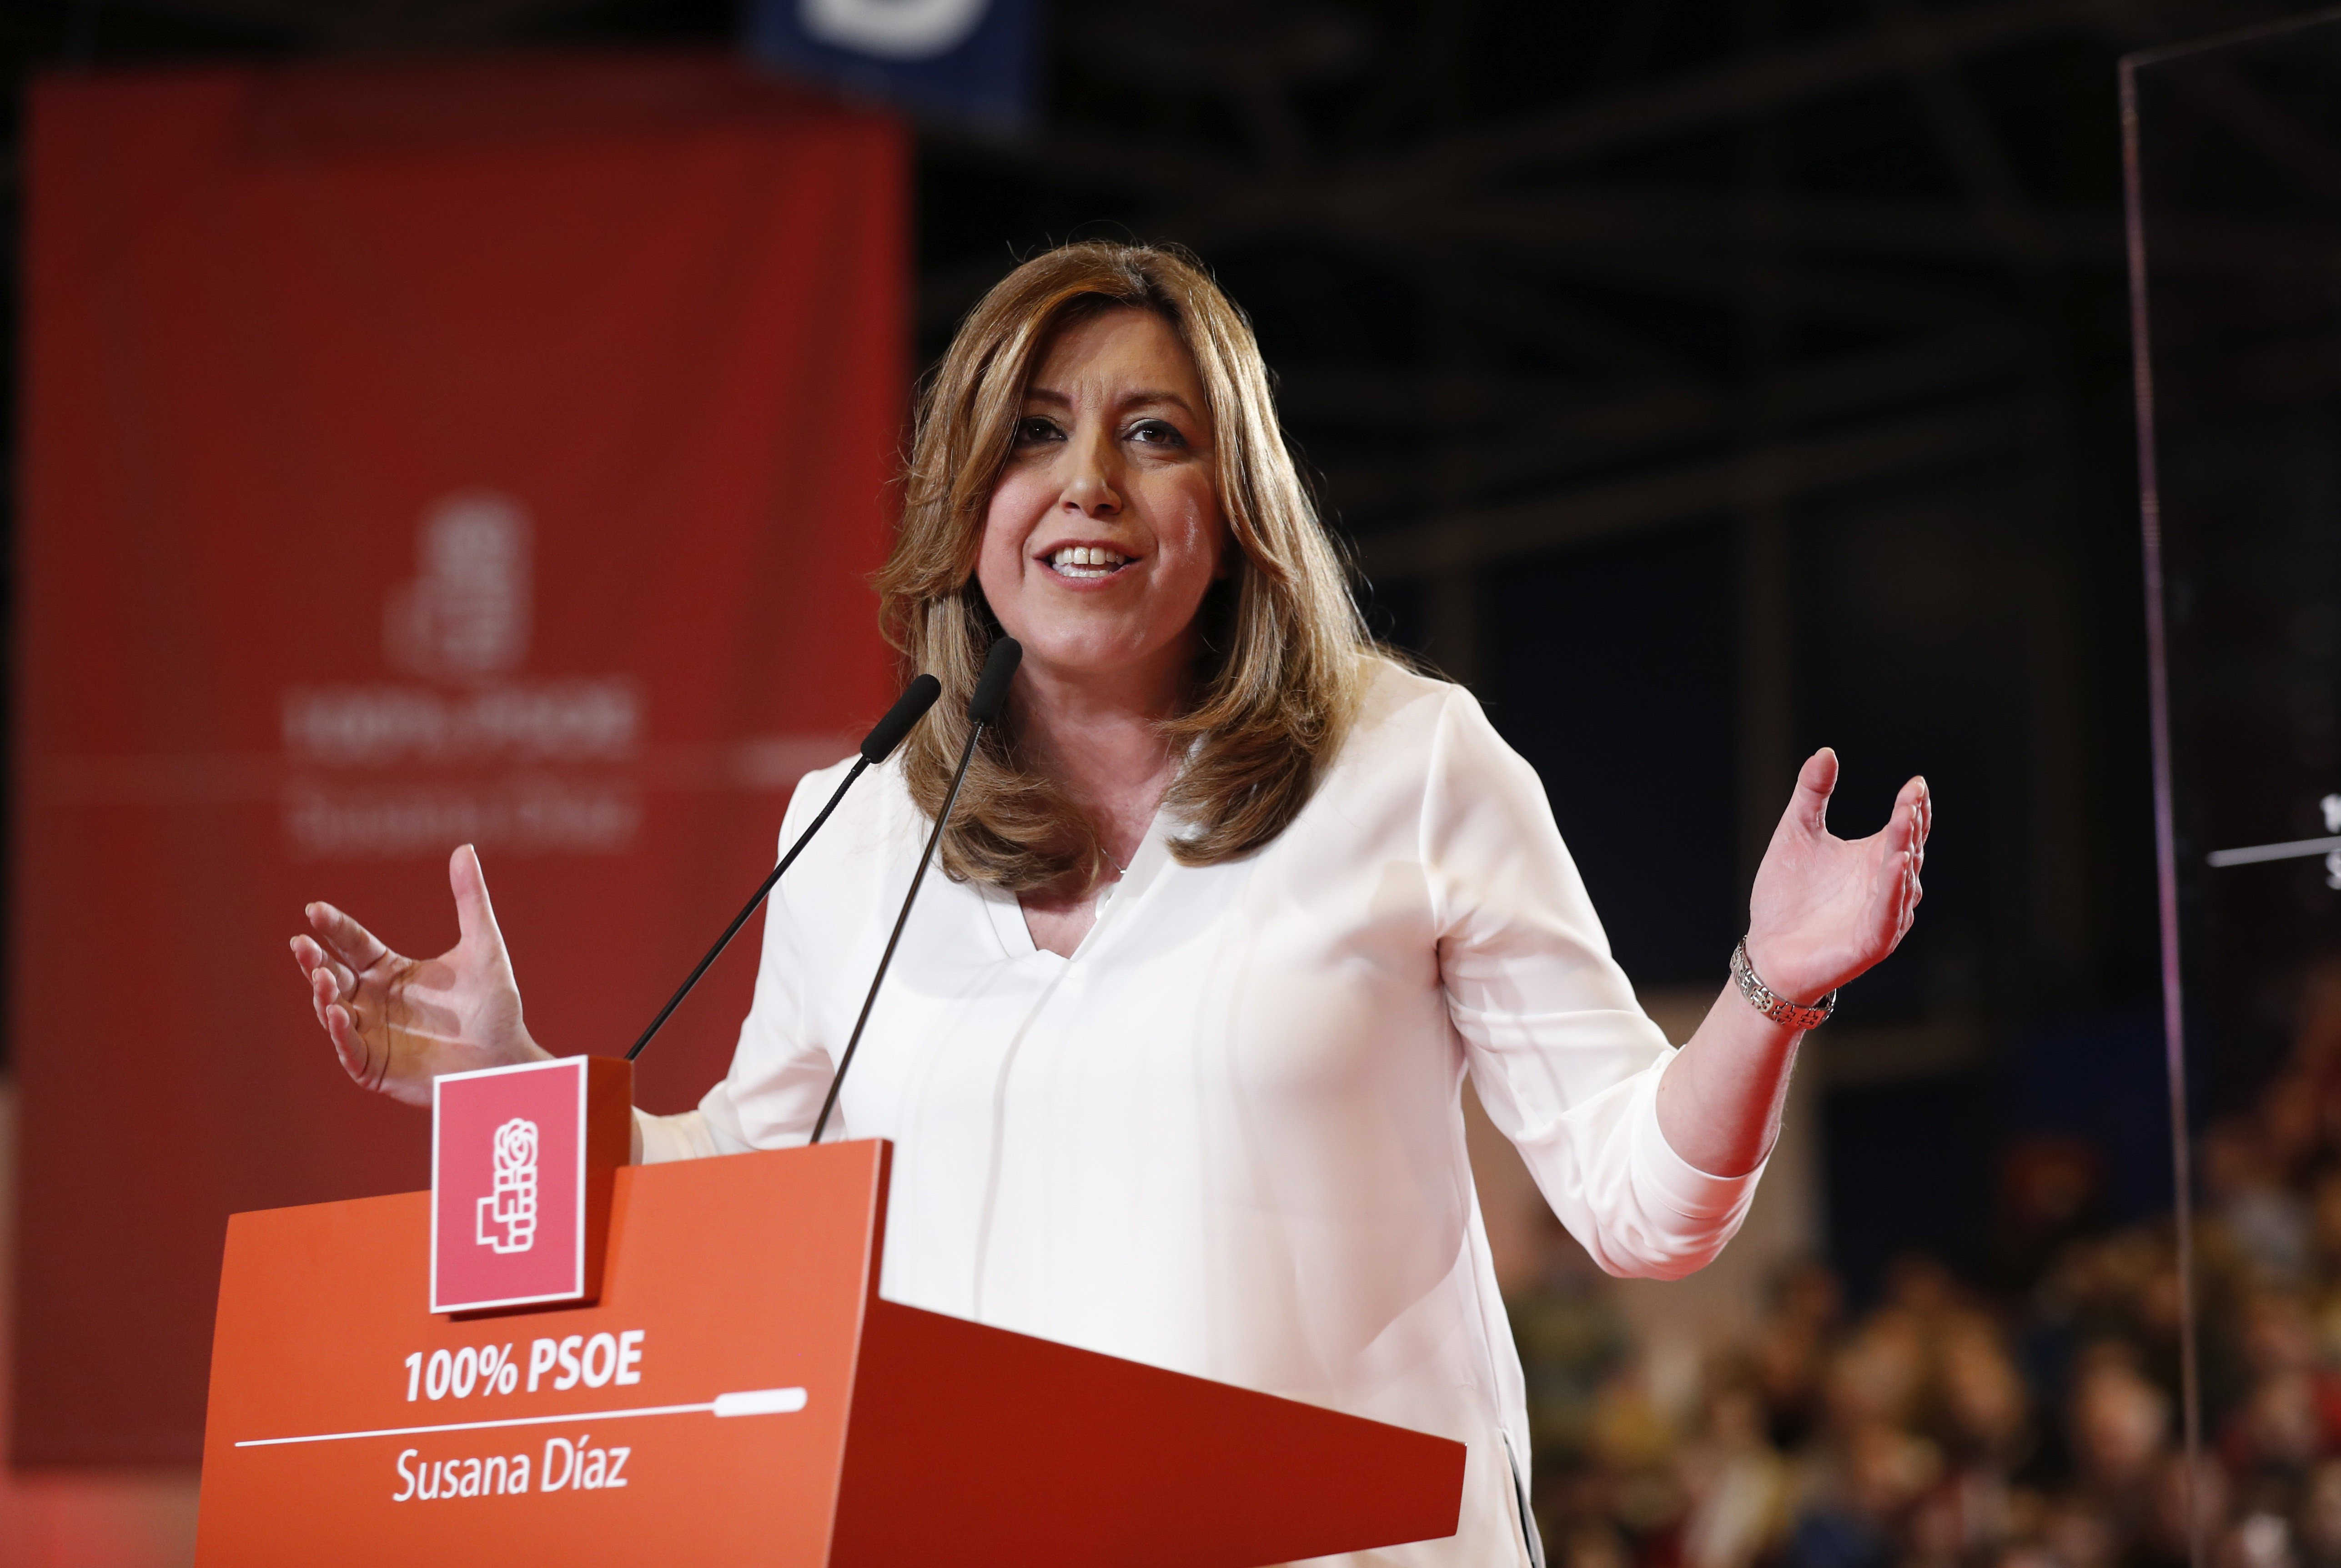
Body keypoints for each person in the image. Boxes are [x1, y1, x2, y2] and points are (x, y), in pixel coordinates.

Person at [288, 241, 1929, 1567]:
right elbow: (745, 1188)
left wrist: (1768, 992)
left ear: (1232, 506)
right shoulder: (854, 827)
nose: (1086, 483)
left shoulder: (1410, 766)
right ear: (964, 506)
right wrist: (508, 1094)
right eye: (1032, 432)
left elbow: (1644, 1206)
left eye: (1152, 434)